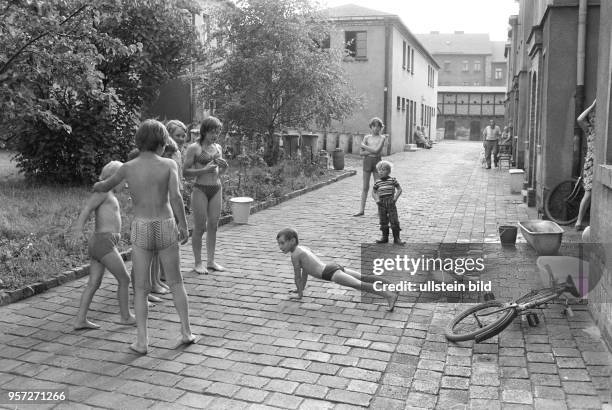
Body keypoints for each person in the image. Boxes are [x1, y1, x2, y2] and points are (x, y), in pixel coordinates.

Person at [93, 119, 196, 354]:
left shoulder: (128, 167)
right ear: (162, 143)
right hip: (165, 224)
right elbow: (176, 197)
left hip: (141, 227)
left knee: (140, 288)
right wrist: (183, 224)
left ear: (139, 142)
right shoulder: (169, 164)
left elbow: (105, 184)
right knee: (176, 282)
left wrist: (97, 187)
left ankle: (142, 341)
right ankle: (186, 331)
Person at [72, 161, 136, 330]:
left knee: (94, 283)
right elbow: (87, 209)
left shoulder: (110, 194)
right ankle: (125, 316)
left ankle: (80, 319)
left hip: (101, 243)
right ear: (114, 178)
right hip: (103, 243)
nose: (126, 183)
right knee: (124, 278)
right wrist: (78, 228)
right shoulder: (103, 192)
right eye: (123, 179)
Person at [276, 228, 399, 311]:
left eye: (282, 243)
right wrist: (300, 289)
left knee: (359, 284)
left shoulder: (295, 255)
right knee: (363, 277)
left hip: (330, 273)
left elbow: (298, 276)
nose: (280, 247)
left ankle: (389, 295)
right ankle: (393, 286)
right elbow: (306, 271)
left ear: (292, 241)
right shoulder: (302, 248)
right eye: (279, 244)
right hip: (332, 266)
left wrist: (299, 294)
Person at [183, 116, 229, 275]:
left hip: (216, 187)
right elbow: (185, 172)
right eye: (212, 132)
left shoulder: (218, 147)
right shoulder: (194, 148)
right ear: (204, 131)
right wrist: (203, 170)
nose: (215, 135)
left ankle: (211, 261)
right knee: (200, 227)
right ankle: (198, 263)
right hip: (200, 188)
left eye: (217, 132)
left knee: (214, 226)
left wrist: (224, 168)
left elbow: (219, 173)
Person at [354, 117, 386, 216]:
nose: (376, 129)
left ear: (381, 128)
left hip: (377, 162)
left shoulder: (382, 138)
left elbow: (377, 151)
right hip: (367, 162)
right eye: (374, 126)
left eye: (378, 127)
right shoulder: (367, 137)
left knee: (378, 187)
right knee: (365, 187)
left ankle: (380, 210)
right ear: (370, 127)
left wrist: (364, 146)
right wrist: (369, 150)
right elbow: (360, 153)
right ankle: (361, 210)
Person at [372, 160, 405, 245]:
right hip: (381, 203)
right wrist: (377, 200)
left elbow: (399, 189)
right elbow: (373, 192)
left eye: (383, 169)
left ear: (389, 171)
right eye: (379, 170)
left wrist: (395, 199)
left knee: (394, 220)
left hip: (391, 202)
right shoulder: (377, 182)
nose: (381, 171)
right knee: (383, 220)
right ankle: (384, 237)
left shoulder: (392, 180)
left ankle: (397, 238)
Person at [575, 99, 596, 231]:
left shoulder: (601, 132)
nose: (593, 118)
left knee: (590, 194)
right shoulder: (590, 130)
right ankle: (578, 221)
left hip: (593, 164)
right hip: (591, 165)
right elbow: (580, 119)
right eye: (592, 117)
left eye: (595, 116)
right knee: (588, 194)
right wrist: (593, 106)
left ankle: (581, 221)